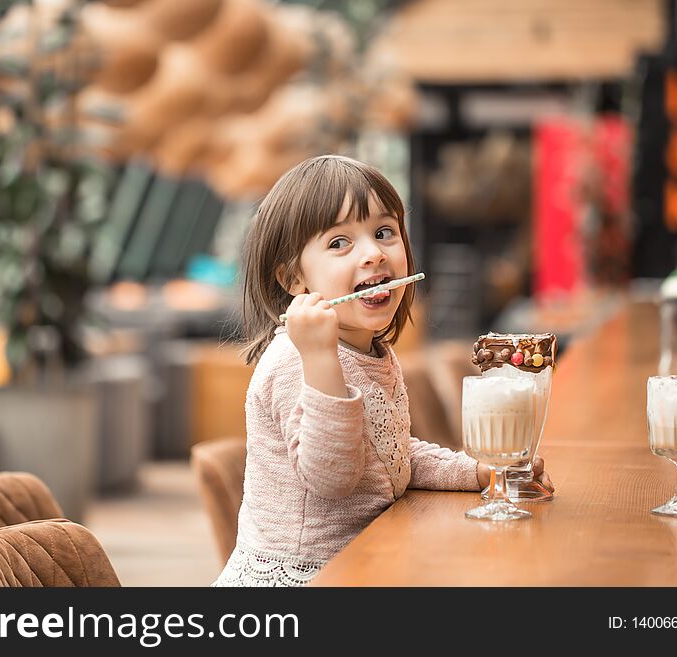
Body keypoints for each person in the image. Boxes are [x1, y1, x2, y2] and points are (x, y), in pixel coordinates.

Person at [213, 155, 553, 586]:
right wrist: (320, 360)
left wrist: (479, 471)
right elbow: (332, 478)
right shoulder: (296, 359)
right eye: (339, 243)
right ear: (292, 280)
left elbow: (390, 454)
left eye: (384, 232)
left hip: (369, 563)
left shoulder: (372, 352)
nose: (374, 253)